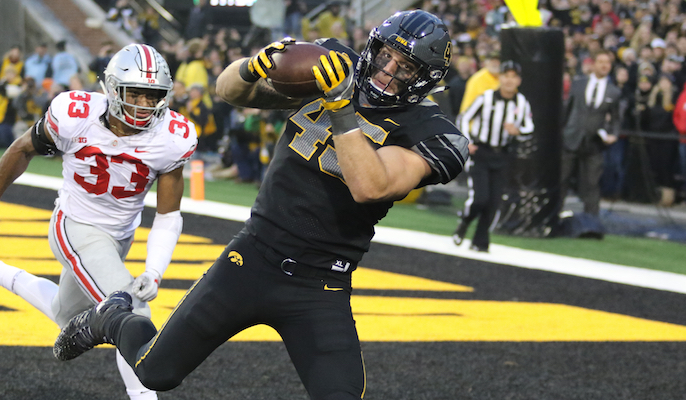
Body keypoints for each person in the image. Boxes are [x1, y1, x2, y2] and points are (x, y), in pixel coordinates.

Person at [51, 10, 468, 399]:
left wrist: (340, 106)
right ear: (373, 46)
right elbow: (229, 90)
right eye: (385, 55)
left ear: (426, 78)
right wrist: (255, 65)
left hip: (321, 283)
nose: (388, 71)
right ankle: (110, 319)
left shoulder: (435, 134)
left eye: (406, 66)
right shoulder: (333, 62)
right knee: (155, 372)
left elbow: (370, 186)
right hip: (252, 258)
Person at [0, 43, 197, 400]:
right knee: (132, 313)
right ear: (113, 89)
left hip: (119, 236)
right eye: (137, 94)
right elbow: (22, 149)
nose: (145, 105)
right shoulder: (75, 113)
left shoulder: (171, 137)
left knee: (65, 316)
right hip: (75, 225)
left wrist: (155, 268)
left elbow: (168, 214)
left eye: (153, 96)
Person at [453, 61, 534, 252]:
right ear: (500, 78)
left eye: (514, 76)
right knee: (480, 198)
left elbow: (530, 127)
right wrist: (467, 141)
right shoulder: (486, 98)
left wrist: (517, 130)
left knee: (494, 201)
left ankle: (480, 241)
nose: (509, 80)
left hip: (503, 154)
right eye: (506, 75)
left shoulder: (521, 102)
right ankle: (464, 222)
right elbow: (464, 117)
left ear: (519, 80)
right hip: (481, 151)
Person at [560, 49, 620, 219]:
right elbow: (567, 109)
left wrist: (613, 134)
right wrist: (562, 132)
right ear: (593, 64)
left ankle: (591, 221)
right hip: (571, 137)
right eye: (601, 61)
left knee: (592, 182)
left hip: (595, 142)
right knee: (562, 178)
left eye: (607, 62)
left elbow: (616, 119)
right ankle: (553, 216)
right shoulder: (578, 84)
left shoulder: (613, 91)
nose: (604, 65)